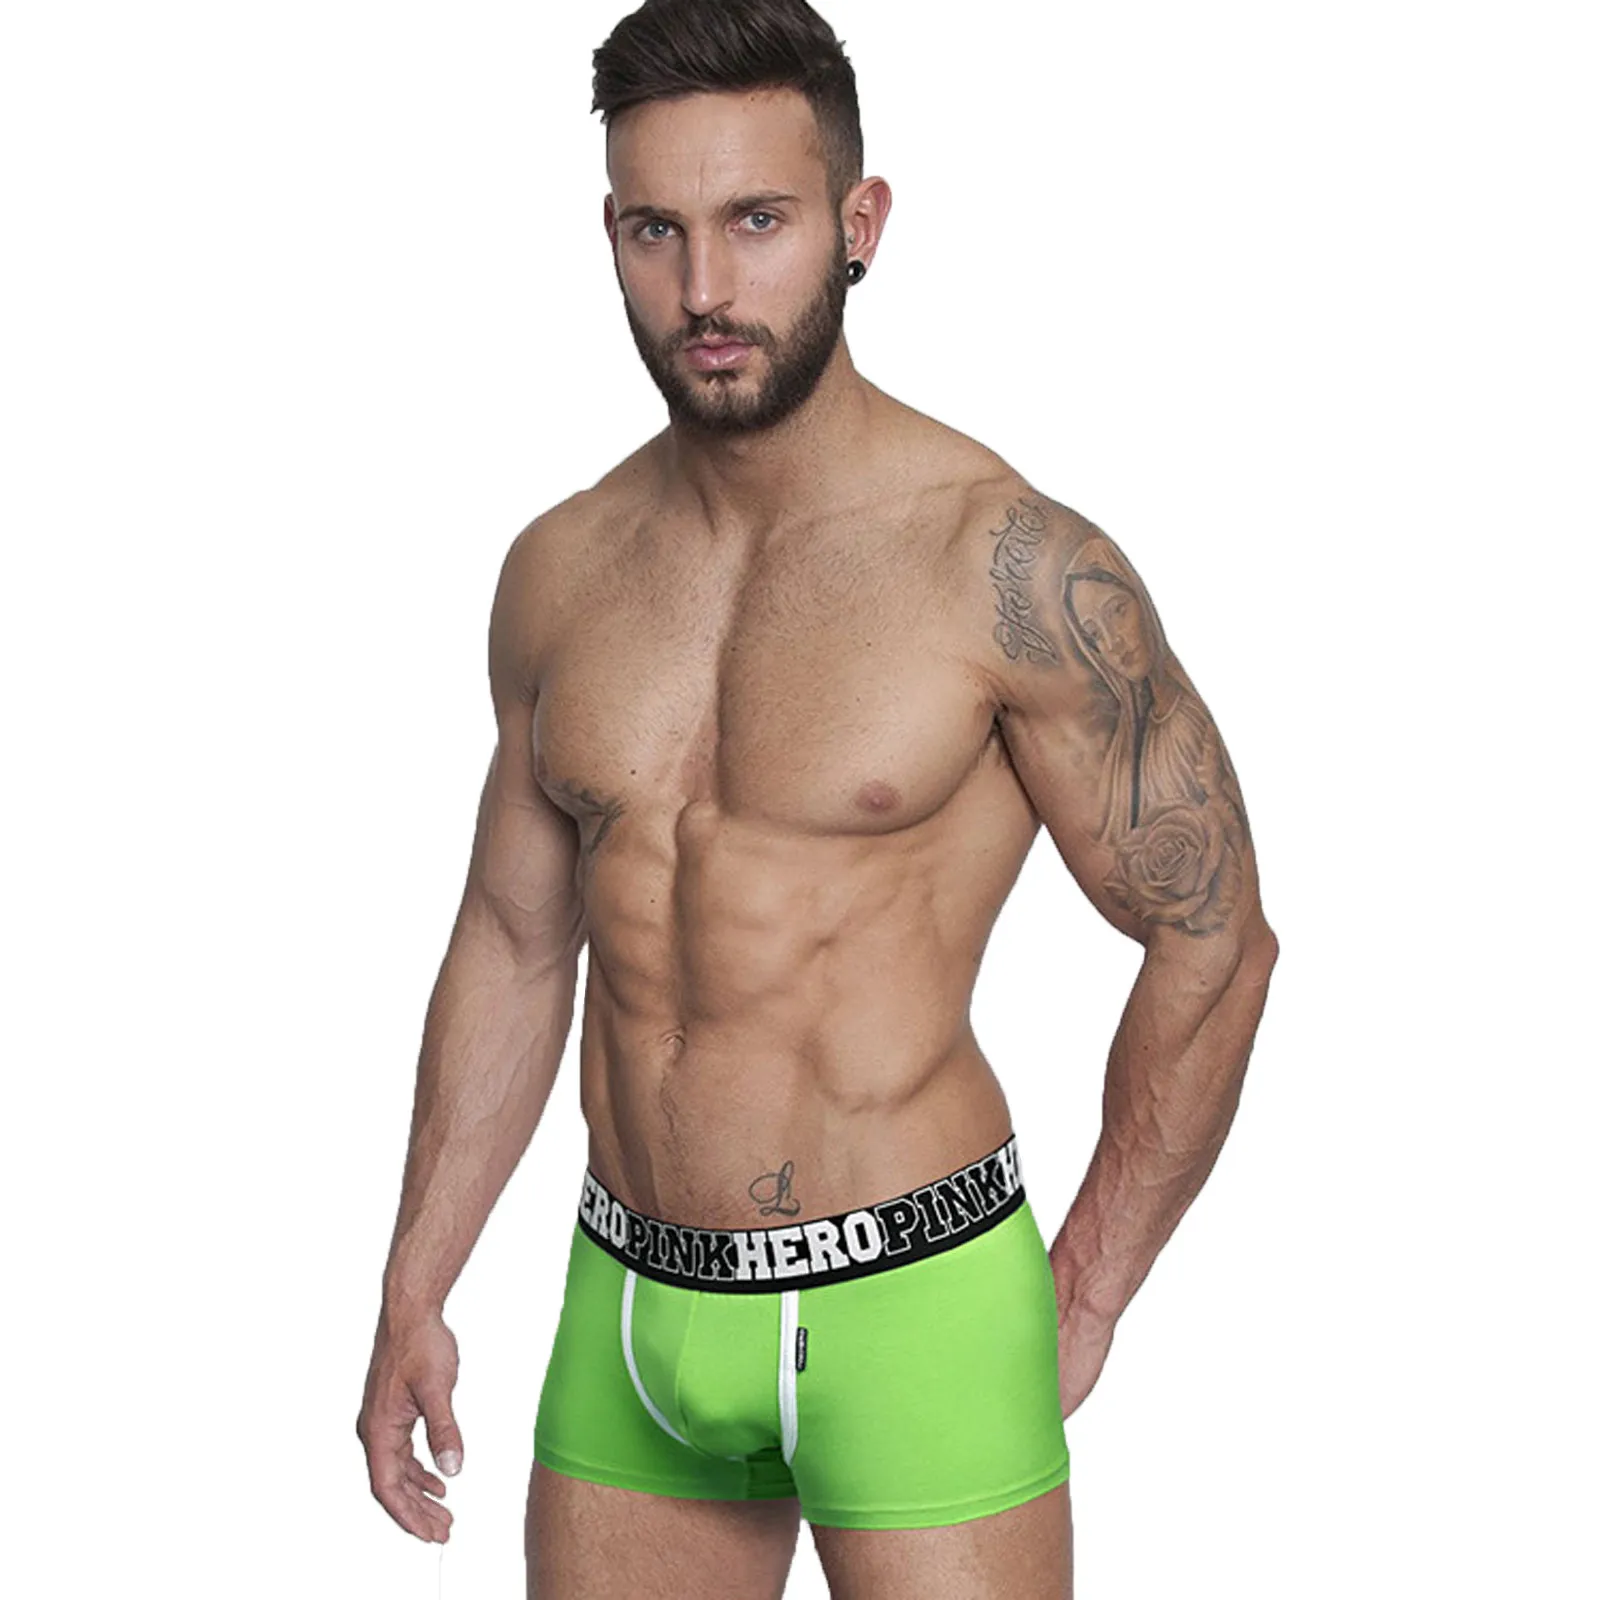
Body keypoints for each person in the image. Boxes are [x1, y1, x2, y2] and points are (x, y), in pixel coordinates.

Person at [355, 1, 1279, 1594]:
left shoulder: (1006, 564)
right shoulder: (560, 570)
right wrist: (414, 1283)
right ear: (610, 235)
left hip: (911, 1299)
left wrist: (1091, 1284)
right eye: (658, 230)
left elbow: (1216, 935)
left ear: (861, 224)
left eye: (758, 222)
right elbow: (513, 942)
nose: (705, 290)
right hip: (630, 1308)